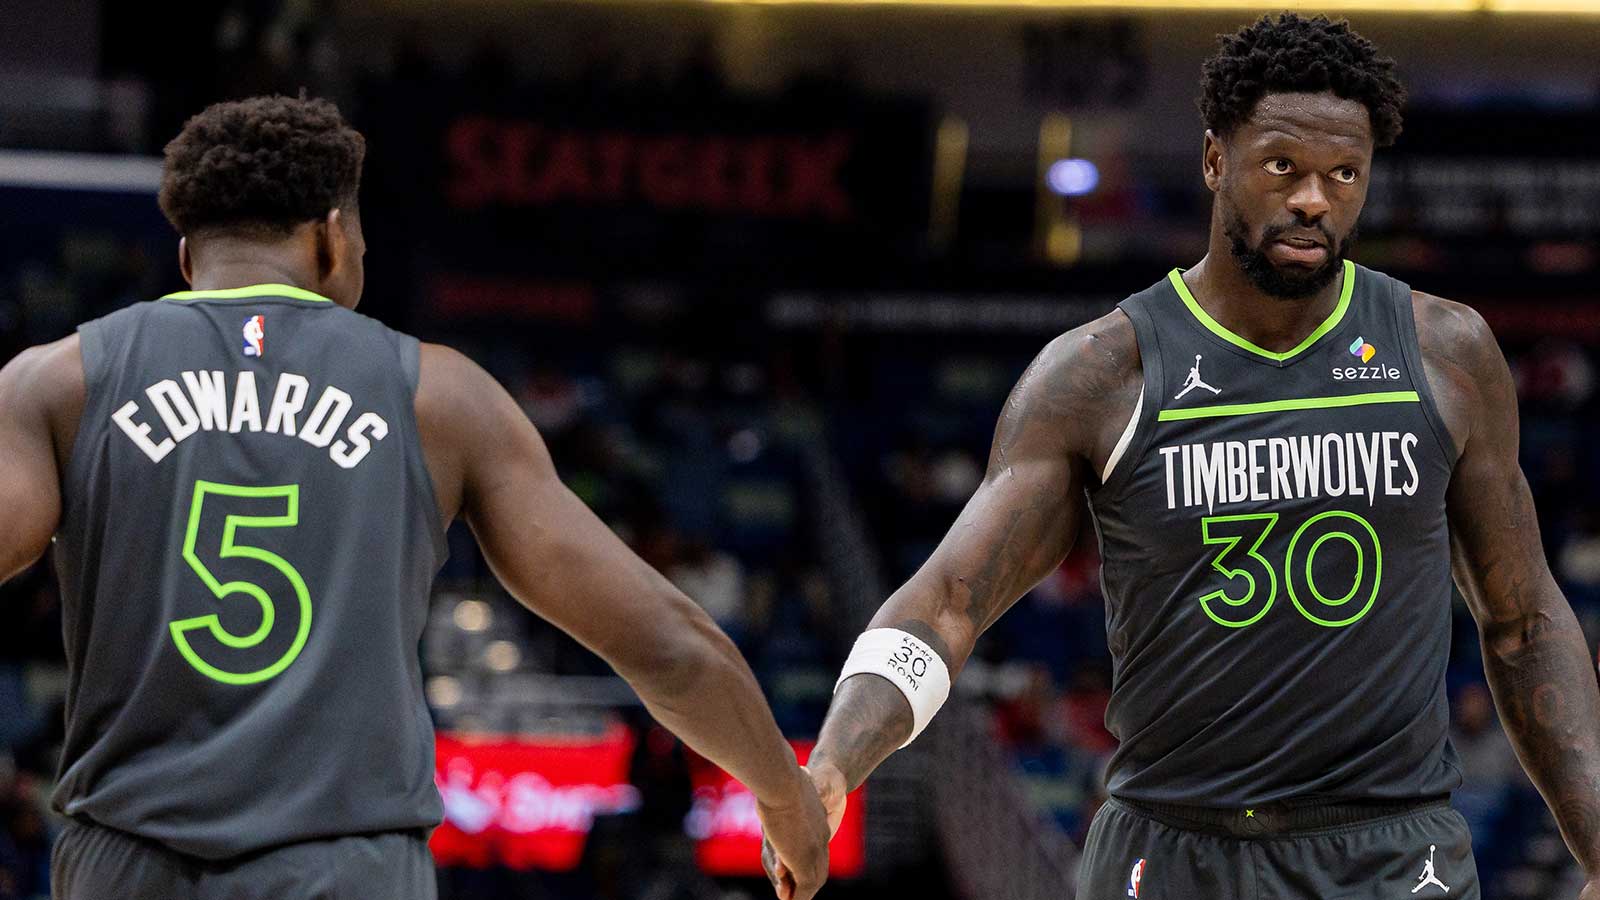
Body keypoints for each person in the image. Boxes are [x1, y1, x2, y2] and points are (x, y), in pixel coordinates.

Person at [765, 14, 1600, 900]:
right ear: (1213, 161)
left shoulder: (1447, 354)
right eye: (1282, 166)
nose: (1315, 198)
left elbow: (1523, 621)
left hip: (1393, 854)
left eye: (1343, 174)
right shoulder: (1100, 374)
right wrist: (835, 763)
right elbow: (947, 605)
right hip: (1173, 850)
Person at [0, 95, 829, 900]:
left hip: (124, 866)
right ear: (331, 237)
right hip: (345, 867)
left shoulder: (58, 382)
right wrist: (784, 797)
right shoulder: (440, 397)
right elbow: (665, 645)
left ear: (187, 256)